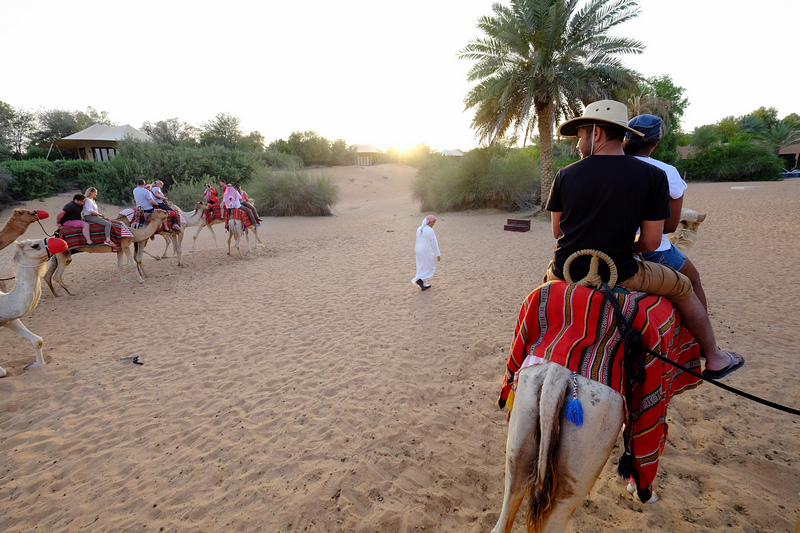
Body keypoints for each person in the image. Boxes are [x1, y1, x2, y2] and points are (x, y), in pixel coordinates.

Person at [545, 99, 743, 380]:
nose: (578, 145)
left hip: (564, 269)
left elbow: (557, 232)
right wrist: (626, 246)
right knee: (685, 286)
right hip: (621, 271)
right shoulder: (653, 175)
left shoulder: (565, 174)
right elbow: (652, 242)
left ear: (597, 133)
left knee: (541, 294)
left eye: (580, 137)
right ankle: (714, 357)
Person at [623, 114, 707, 310]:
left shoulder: (607, 165)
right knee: (693, 280)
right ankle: (705, 340)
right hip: (652, 250)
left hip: (609, 245)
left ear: (627, 139)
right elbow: (669, 226)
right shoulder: (666, 171)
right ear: (655, 143)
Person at [412, 215, 441, 291]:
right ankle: (420, 280)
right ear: (429, 222)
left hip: (418, 250)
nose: (434, 224)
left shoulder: (419, 228)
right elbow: (434, 243)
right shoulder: (430, 230)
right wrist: (437, 254)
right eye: (433, 222)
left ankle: (424, 284)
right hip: (425, 251)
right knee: (431, 266)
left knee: (422, 266)